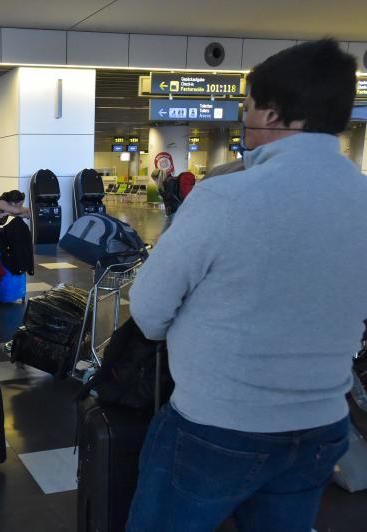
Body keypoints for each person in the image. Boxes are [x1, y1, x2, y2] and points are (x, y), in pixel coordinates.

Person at [126, 39, 367, 531]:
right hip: (322, 426)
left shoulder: (224, 197)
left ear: (273, 115)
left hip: (218, 425)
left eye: (249, 107)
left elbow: (149, 310)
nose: (244, 118)